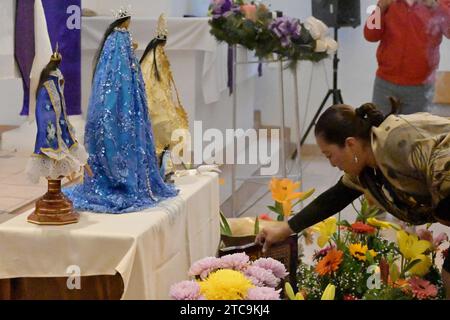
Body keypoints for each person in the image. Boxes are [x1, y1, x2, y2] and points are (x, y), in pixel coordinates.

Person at [256, 103, 450, 298]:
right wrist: (286, 227)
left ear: (350, 144)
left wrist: (443, 211)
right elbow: (336, 197)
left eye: (329, 155)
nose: (332, 164)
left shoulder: (394, 142)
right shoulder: (368, 162)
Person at [64, 9, 178, 213]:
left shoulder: (119, 55)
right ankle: (120, 179)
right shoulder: (119, 51)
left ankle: (124, 176)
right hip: (115, 125)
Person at [364, 0, 450, 115]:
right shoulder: (388, 2)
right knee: (380, 130)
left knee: (414, 132)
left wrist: (436, 6)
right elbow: (370, 35)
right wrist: (380, 8)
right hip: (385, 83)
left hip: (420, 88)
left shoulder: (440, 2)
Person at [26, 45, 88, 184]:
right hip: (51, 124)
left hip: (58, 122)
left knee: (67, 148)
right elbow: (47, 106)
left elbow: (60, 102)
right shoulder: (48, 83)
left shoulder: (55, 77)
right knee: (53, 151)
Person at [140, 13, 188, 167]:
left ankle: (164, 165)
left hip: (158, 102)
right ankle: (161, 165)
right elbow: (155, 84)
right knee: (166, 129)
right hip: (155, 104)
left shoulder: (156, 55)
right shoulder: (155, 56)